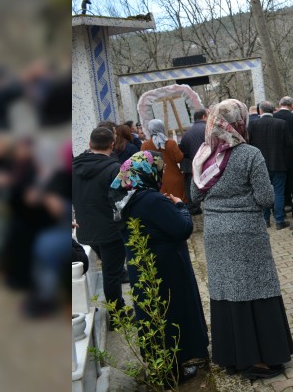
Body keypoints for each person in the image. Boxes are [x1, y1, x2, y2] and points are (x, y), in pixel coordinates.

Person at [189, 99, 293, 379]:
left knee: (227, 290)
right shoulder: (249, 154)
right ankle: (261, 357)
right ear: (240, 123)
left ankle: (234, 356)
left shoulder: (203, 154)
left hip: (214, 232)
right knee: (255, 288)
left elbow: (195, 196)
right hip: (247, 230)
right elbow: (266, 198)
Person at [109, 151, 208, 384]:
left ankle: (161, 368)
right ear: (147, 172)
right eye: (160, 170)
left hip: (143, 267)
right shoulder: (151, 200)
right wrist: (180, 206)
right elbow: (182, 228)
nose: (162, 174)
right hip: (166, 268)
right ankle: (173, 372)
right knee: (172, 313)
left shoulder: (125, 197)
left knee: (153, 316)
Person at [72, 127, 126, 313]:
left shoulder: (73, 168)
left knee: (110, 271)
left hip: (86, 229)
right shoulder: (114, 169)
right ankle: (117, 314)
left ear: (89, 144)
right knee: (112, 274)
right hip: (111, 230)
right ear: (112, 145)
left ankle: (116, 308)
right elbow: (122, 201)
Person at [248, 100, 293, 229]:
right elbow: (289, 143)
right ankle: (279, 221)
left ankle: (265, 220)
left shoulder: (253, 124)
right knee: (279, 192)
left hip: (259, 165)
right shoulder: (281, 124)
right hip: (278, 163)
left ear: (260, 111)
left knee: (263, 191)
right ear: (273, 110)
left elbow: (249, 144)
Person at [141, 119, 186, 201]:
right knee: (178, 204)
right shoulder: (171, 143)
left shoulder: (145, 146)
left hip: (157, 181)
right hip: (174, 179)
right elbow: (179, 158)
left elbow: (144, 164)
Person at [179, 109, 208, 215]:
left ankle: (194, 207)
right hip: (208, 163)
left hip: (193, 165)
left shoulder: (187, 133)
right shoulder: (207, 129)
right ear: (204, 117)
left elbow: (182, 150)